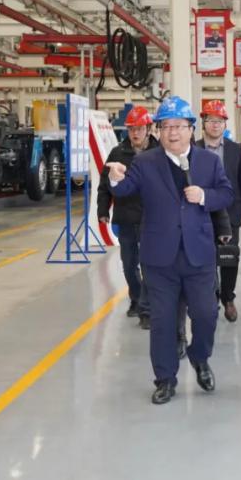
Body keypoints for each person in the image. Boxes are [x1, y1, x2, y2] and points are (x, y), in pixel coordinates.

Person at [106, 96, 234, 405]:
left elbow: (226, 194)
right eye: (165, 126)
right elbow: (125, 189)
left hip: (198, 255)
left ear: (191, 129)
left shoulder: (209, 162)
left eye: (178, 126)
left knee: (206, 314)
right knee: (162, 322)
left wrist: (204, 196)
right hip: (159, 258)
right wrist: (114, 178)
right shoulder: (145, 162)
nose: (172, 133)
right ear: (158, 131)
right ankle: (165, 378)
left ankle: (200, 358)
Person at [97, 106, 156, 322]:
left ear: (148, 128)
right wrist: (103, 209)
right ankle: (136, 297)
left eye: (139, 128)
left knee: (150, 264)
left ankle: (147, 308)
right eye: (131, 129)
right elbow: (104, 185)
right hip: (126, 217)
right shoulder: (118, 153)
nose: (135, 133)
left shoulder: (159, 152)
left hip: (152, 219)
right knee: (129, 264)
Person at [196, 100, 241, 323]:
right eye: (211, 120)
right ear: (203, 123)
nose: (215, 125)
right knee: (204, 258)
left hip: (231, 213)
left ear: (225, 124)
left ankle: (228, 298)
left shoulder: (235, 149)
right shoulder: (194, 149)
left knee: (229, 258)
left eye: (219, 121)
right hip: (201, 213)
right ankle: (211, 297)